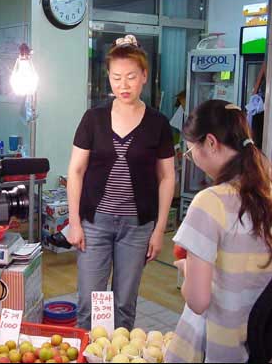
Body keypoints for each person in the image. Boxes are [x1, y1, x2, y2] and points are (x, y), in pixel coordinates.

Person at [67, 34, 175, 330]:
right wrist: (75, 222)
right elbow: (75, 171)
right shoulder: (93, 118)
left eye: (130, 77)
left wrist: (159, 230)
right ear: (108, 79)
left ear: (144, 77)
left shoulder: (158, 124)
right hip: (94, 223)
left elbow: (167, 178)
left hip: (137, 226)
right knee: (90, 304)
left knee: (124, 305)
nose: (123, 85)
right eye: (116, 78)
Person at [164, 100, 272, 363]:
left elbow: (198, 301)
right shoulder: (270, 194)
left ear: (211, 143)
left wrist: (187, 270)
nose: (193, 160)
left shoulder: (209, 202)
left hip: (218, 348)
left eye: (192, 151)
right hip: (263, 345)